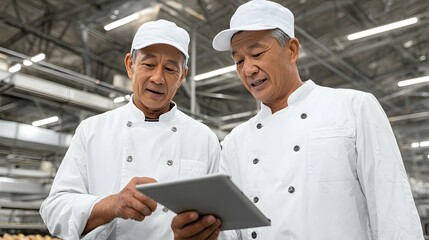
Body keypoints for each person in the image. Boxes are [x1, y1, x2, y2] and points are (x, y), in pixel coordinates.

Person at [171, 0, 424, 239]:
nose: (248, 69)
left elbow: (394, 211)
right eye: (238, 60)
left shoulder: (354, 108)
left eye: (257, 54)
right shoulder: (236, 141)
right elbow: (229, 231)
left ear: (292, 50)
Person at [40, 19, 221, 240]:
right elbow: (54, 210)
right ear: (130, 65)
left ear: (182, 76)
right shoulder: (92, 131)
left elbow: (221, 222)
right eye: (148, 64)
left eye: (170, 69)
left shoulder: (203, 139)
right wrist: (111, 205)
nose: (158, 78)